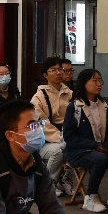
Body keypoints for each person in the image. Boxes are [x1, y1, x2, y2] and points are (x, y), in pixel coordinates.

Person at [62, 69, 108, 212]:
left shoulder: (103, 105)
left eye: (100, 80)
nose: (99, 84)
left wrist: (107, 145)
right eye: (94, 80)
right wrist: (94, 145)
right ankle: (90, 198)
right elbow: (69, 136)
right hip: (78, 152)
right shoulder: (74, 107)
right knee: (100, 158)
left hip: (102, 149)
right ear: (83, 83)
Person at [29, 56, 71, 194]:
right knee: (59, 150)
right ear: (45, 75)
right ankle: (48, 184)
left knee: (78, 147)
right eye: (53, 70)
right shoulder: (39, 97)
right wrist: (61, 138)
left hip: (67, 136)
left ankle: (65, 180)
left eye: (60, 69)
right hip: (44, 141)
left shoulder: (70, 94)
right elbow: (41, 124)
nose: (58, 72)